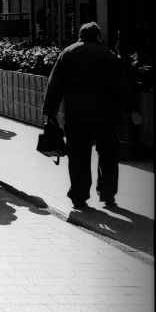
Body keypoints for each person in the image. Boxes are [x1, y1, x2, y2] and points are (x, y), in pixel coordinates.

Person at [42, 21, 141, 211]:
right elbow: (120, 85)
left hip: (76, 116)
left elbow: (54, 84)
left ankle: (79, 197)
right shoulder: (107, 54)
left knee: (78, 156)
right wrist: (132, 109)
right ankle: (107, 194)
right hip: (105, 116)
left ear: (81, 35)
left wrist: (49, 111)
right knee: (108, 154)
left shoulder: (67, 53)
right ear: (97, 36)